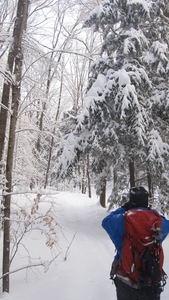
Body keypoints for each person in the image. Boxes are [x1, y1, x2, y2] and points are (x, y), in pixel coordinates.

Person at [102, 186, 169, 300]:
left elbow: (106, 221)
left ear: (131, 202)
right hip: (151, 279)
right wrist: (151, 212)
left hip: (127, 281)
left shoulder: (121, 220)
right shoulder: (158, 222)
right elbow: (165, 222)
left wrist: (124, 208)